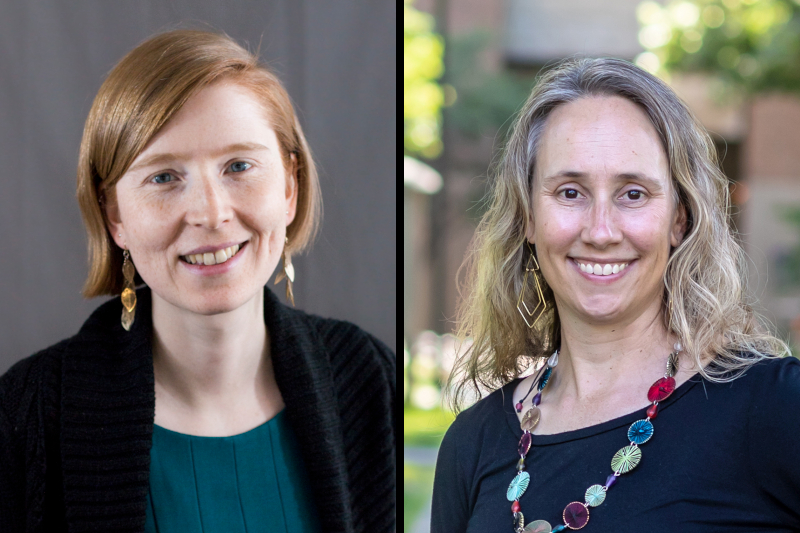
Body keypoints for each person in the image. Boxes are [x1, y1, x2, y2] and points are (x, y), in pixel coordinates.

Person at [0, 30, 396, 533]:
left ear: (290, 186)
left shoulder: (369, 380)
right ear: (114, 213)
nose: (211, 213)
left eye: (239, 166)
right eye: (164, 177)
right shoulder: (25, 417)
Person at [431, 57, 800, 533]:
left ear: (679, 220)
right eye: (569, 192)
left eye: (633, 194)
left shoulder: (775, 408)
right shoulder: (473, 443)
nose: (601, 231)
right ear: (527, 217)